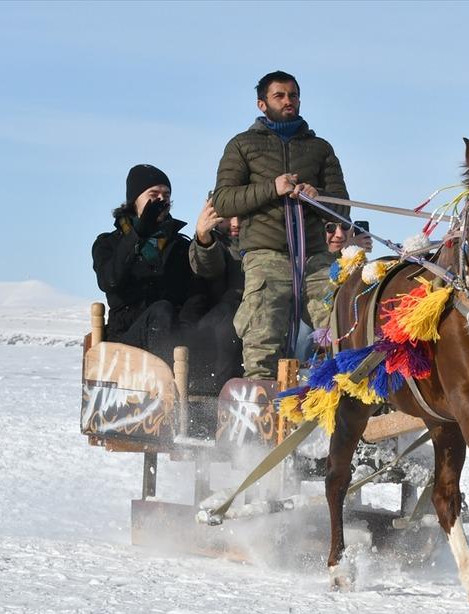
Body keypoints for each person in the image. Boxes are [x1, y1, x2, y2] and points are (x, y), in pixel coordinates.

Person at [211, 70, 350, 380]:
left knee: (342, 323)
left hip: (314, 255)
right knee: (262, 333)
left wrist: (320, 197)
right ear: (262, 104)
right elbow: (224, 201)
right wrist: (271, 188)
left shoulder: (320, 148)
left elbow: (343, 209)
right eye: (280, 95)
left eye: (293, 95)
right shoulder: (242, 145)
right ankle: (257, 407)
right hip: (266, 253)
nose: (289, 101)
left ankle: (351, 400)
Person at [92, 164, 207, 364]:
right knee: (160, 310)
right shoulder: (108, 243)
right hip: (125, 343)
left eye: (166, 194)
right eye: (153, 194)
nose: (161, 199)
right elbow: (109, 280)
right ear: (134, 201)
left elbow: (196, 294)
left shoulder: (181, 246)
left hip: (171, 339)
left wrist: (185, 330)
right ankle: (164, 386)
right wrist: (138, 235)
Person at [187, 198, 245, 393]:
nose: (235, 223)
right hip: (215, 323)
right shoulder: (215, 242)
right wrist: (204, 238)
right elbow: (209, 265)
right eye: (227, 217)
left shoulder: (265, 245)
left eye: (243, 216)